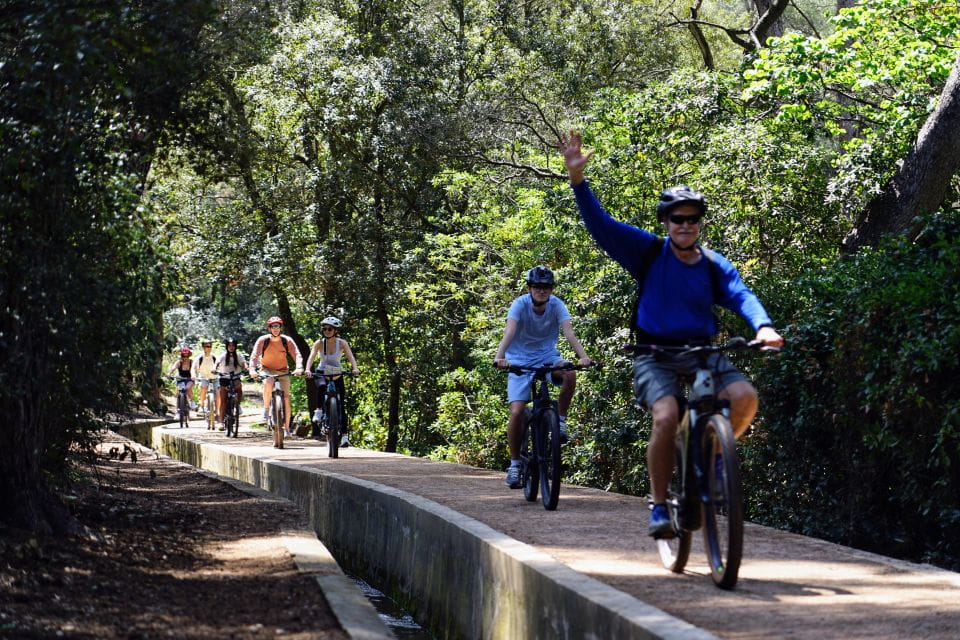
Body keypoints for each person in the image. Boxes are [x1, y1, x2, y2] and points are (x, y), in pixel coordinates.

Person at [559, 131, 784, 538]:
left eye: (692, 219)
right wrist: (578, 180)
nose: (685, 225)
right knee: (666, 416)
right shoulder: (647, 251)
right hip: (653, 351)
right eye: (677, 219)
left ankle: (713, 452)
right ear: (666, 223)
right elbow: (601, 225)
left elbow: (740, 294)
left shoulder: (713, 264)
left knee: (745, 398)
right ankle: (660, 505)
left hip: (702, 351)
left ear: (699, 223)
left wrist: (763, 326)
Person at [493, 265, 592, 489]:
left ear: (551, 289)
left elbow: (569, 333)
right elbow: (509, 332)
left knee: (570, 374)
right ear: (529, 288)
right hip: (518, 359)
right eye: (537, 287)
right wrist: (499, 357)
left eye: (546, 287)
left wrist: (583, 357)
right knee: (517, 411)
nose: (541, 291)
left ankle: (561, 421)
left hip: (547, 357)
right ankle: (515, 464)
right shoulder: (520, 305)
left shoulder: (557, 305)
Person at [305, 316, 360, 447]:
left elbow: (350, 357)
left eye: (330, 329)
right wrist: (307, 369)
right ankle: (318, 410)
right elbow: (311, 357)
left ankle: (345, 436)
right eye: (324, 329)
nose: (327, 331)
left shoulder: (341, 343)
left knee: (341, 405)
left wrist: (355, 368)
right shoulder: (319, 343)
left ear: (335, 330)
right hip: (322, 372)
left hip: (337, 373)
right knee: (322, 387)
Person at [249, 316, 303, 438]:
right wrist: (252, 369)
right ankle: (266, 410)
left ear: (280, 327)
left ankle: (287, 428)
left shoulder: (286, 340)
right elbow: (254, 356)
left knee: (287, 399)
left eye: (278, 326)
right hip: (267, 370)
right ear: (269, 328)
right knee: (269, 381)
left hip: (283, 371)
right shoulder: (263, 340)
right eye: (273, 326)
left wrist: (299, 367)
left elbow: (297, 354)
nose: (275, 329)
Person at [215, 338, 246, 428]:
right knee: (223, 400)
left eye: (233, 346)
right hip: (224, 378)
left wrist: (247, 368)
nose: (231, 347)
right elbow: (217, 362)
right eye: (229, 346)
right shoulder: (223, 356)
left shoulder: (239, 356)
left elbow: (244, 363)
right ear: (227, 346)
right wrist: (214, 368)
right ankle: (221, 422)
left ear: (235, 347)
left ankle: (237, 404)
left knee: (239, 388)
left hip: (235, 377)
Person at [191, 339, 218, 420]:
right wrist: (193, 375)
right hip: (204, 377)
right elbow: (193, 368)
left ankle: (218, 409)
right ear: (203, 347)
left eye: (210, 346)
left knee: (218, 392)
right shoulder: (199, 357)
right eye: (207, 346)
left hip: (214, 377)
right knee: (203, 387)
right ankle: (201, 405)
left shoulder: (214, 357)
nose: (209, 348)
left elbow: (220, 365)